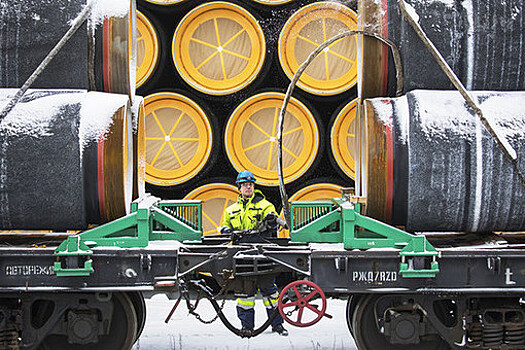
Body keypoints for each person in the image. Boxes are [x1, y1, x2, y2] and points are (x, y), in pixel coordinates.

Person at [219, 170, 288, 336]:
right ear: (239, 188)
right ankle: (247, 326)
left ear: (254, 186)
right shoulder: (231, 210)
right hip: (241, 252)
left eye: (250, 184)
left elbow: (270, 215)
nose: (247, 187)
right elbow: (223, 226)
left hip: (261, 250)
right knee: (245, 293)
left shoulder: (265, 205)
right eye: (244, 185)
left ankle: (277, 324)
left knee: (269, 290)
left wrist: (272, 219)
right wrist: (227, 230)